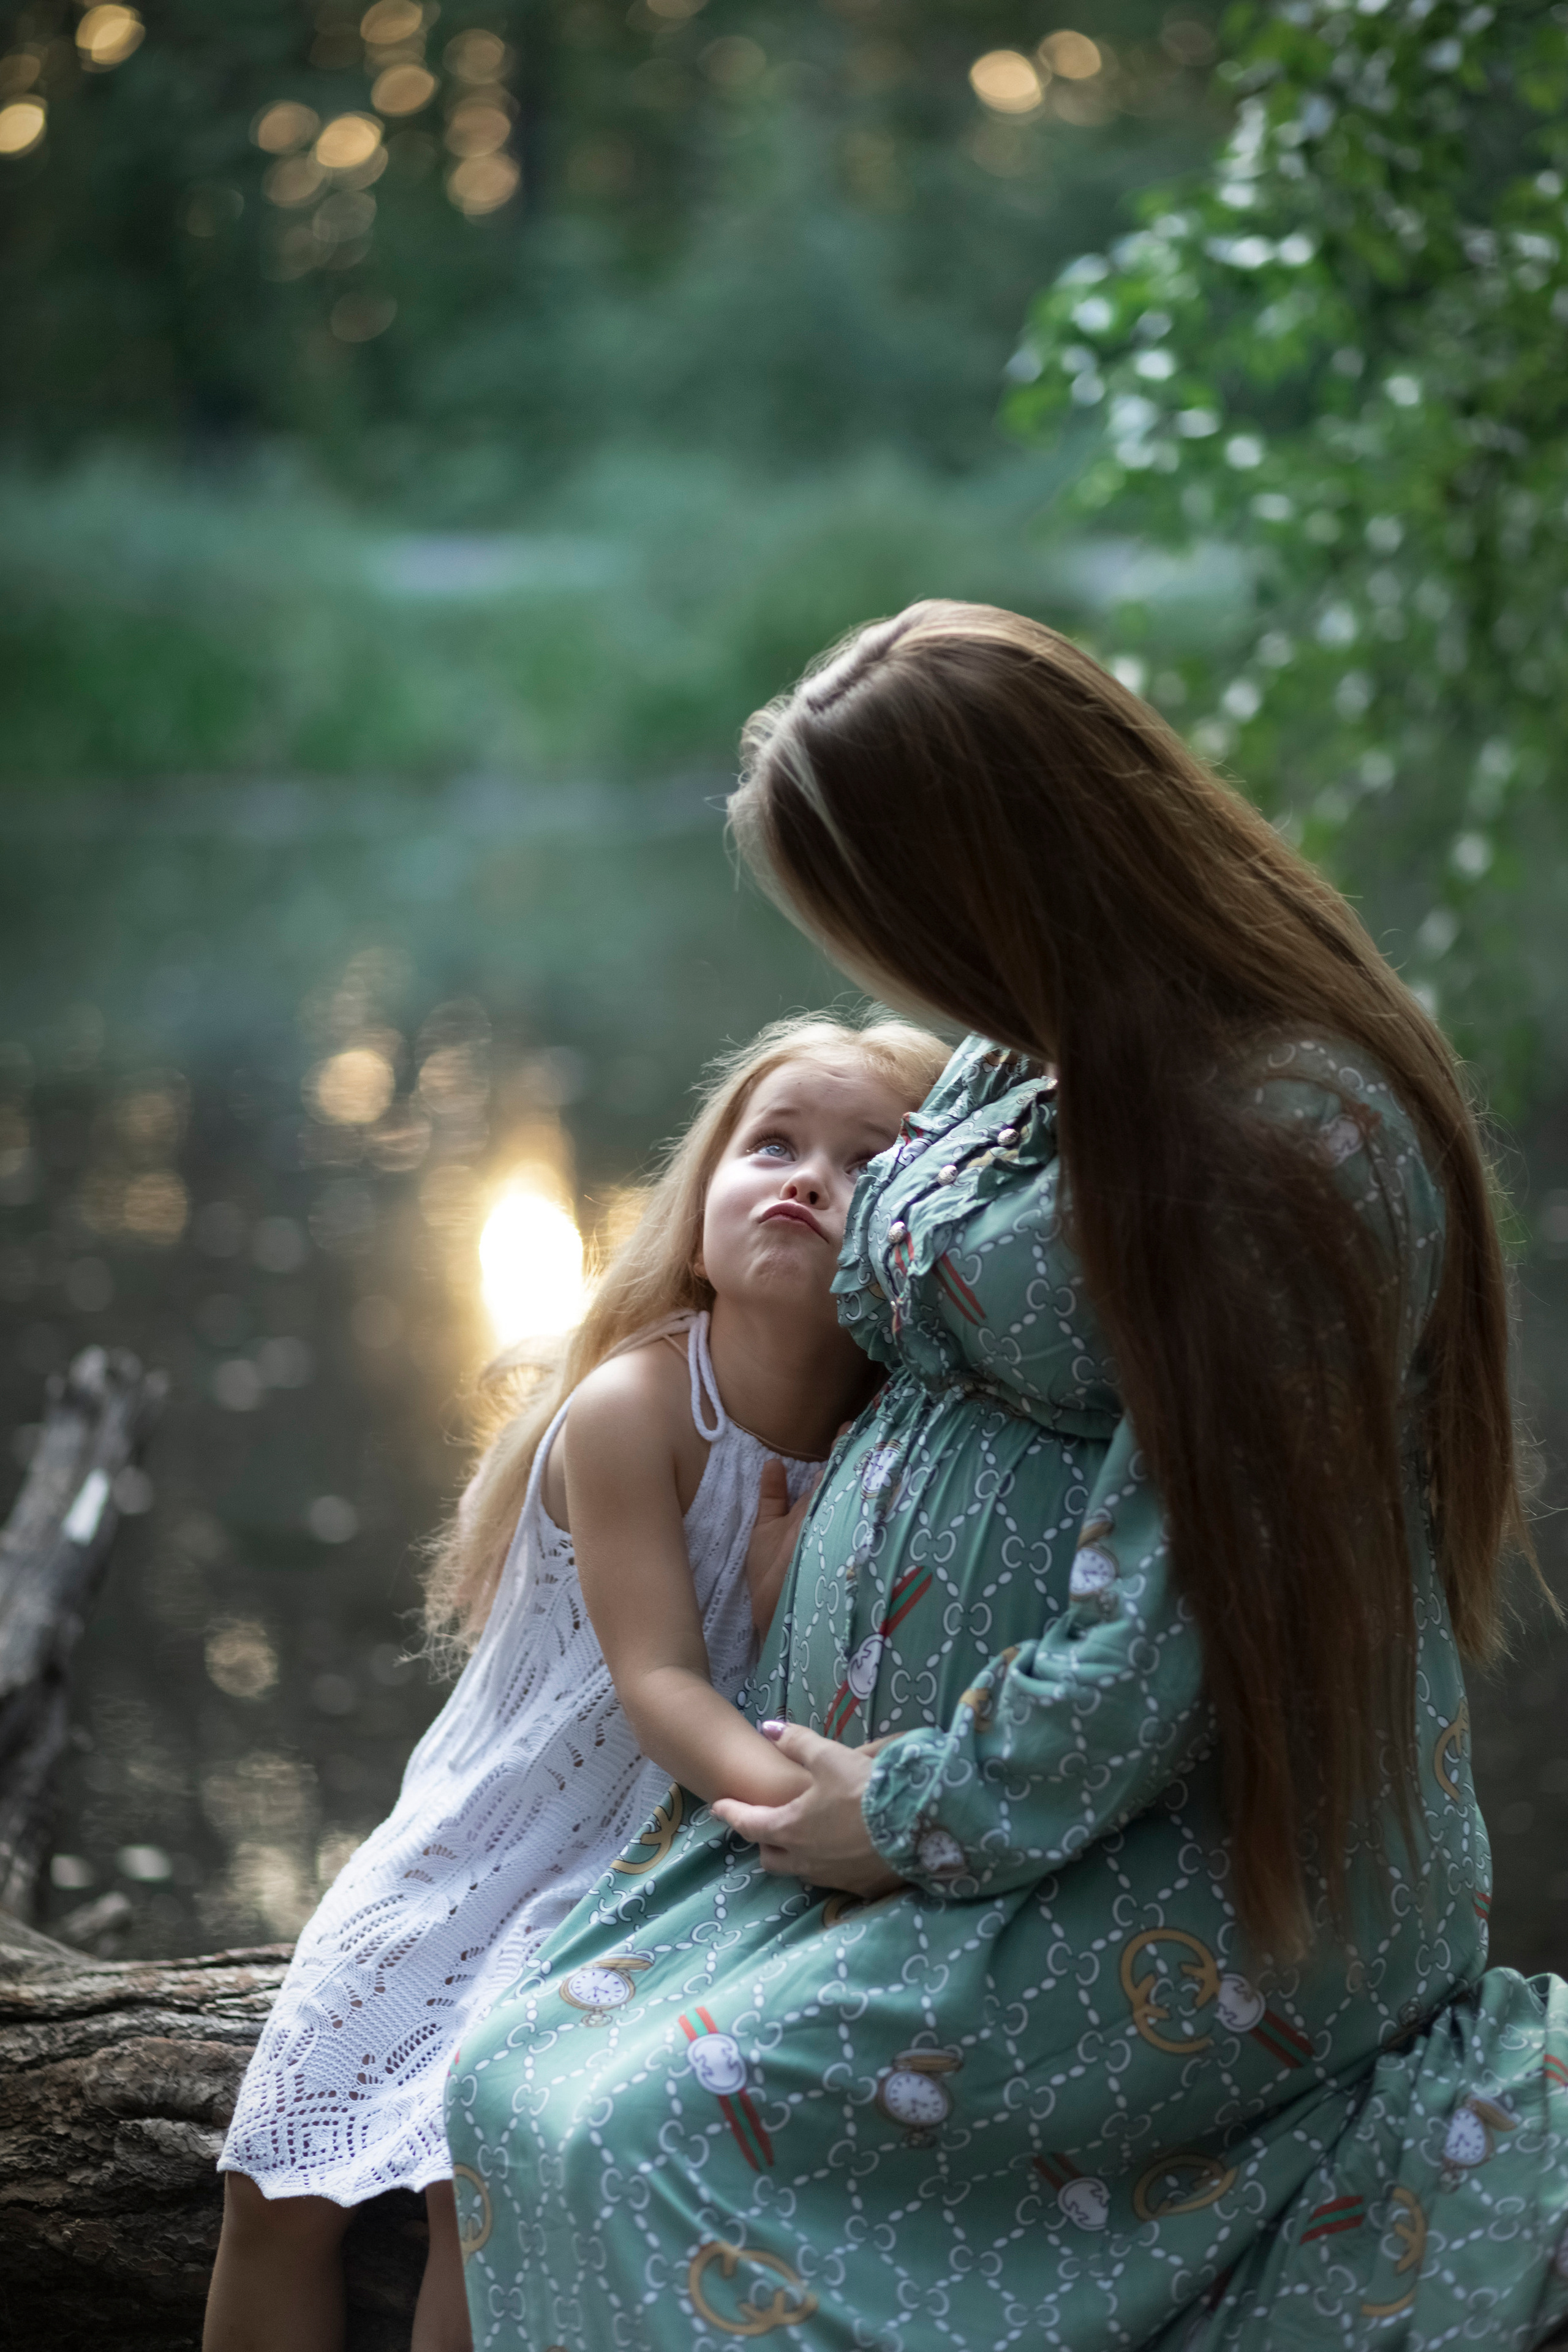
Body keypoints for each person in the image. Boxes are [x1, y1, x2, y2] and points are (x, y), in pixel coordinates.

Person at [446, 601, 1568, 2351]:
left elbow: (1179, 1634)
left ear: (994, 880)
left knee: (655, 2141)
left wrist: (898, 1816)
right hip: (936, 1824)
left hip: (1161, 1863)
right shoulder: (1017, 1052)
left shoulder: (1296, 1141)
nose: (893, 978)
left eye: (887, 924)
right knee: (514, 2077)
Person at [203, 1012, 950, 2352]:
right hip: (489, 1837)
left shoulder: (897, 1445)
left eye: (863, 1160)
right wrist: (841, 1817)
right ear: (701, 1192)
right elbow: (660, 1681)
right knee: (276, 2176)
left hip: (668, 1865)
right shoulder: (637, 1408)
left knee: (472, 2177)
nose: (806, 1178)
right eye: (770, 1143)